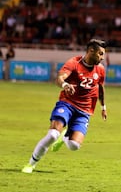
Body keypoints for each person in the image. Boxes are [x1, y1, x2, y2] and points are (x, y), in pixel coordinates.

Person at [21, 39, 108, 173]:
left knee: (74, 146)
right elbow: (59, 78)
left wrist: (103, 107)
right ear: (91, 51)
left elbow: (100, 88)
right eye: (100, 54)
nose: (102, 58)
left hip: (84, 110)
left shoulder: (100, 69)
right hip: (67, 103)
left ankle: (66, 136)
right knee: (52, 135)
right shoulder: (74, 63)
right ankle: (31, 164)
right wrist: (65, 85)